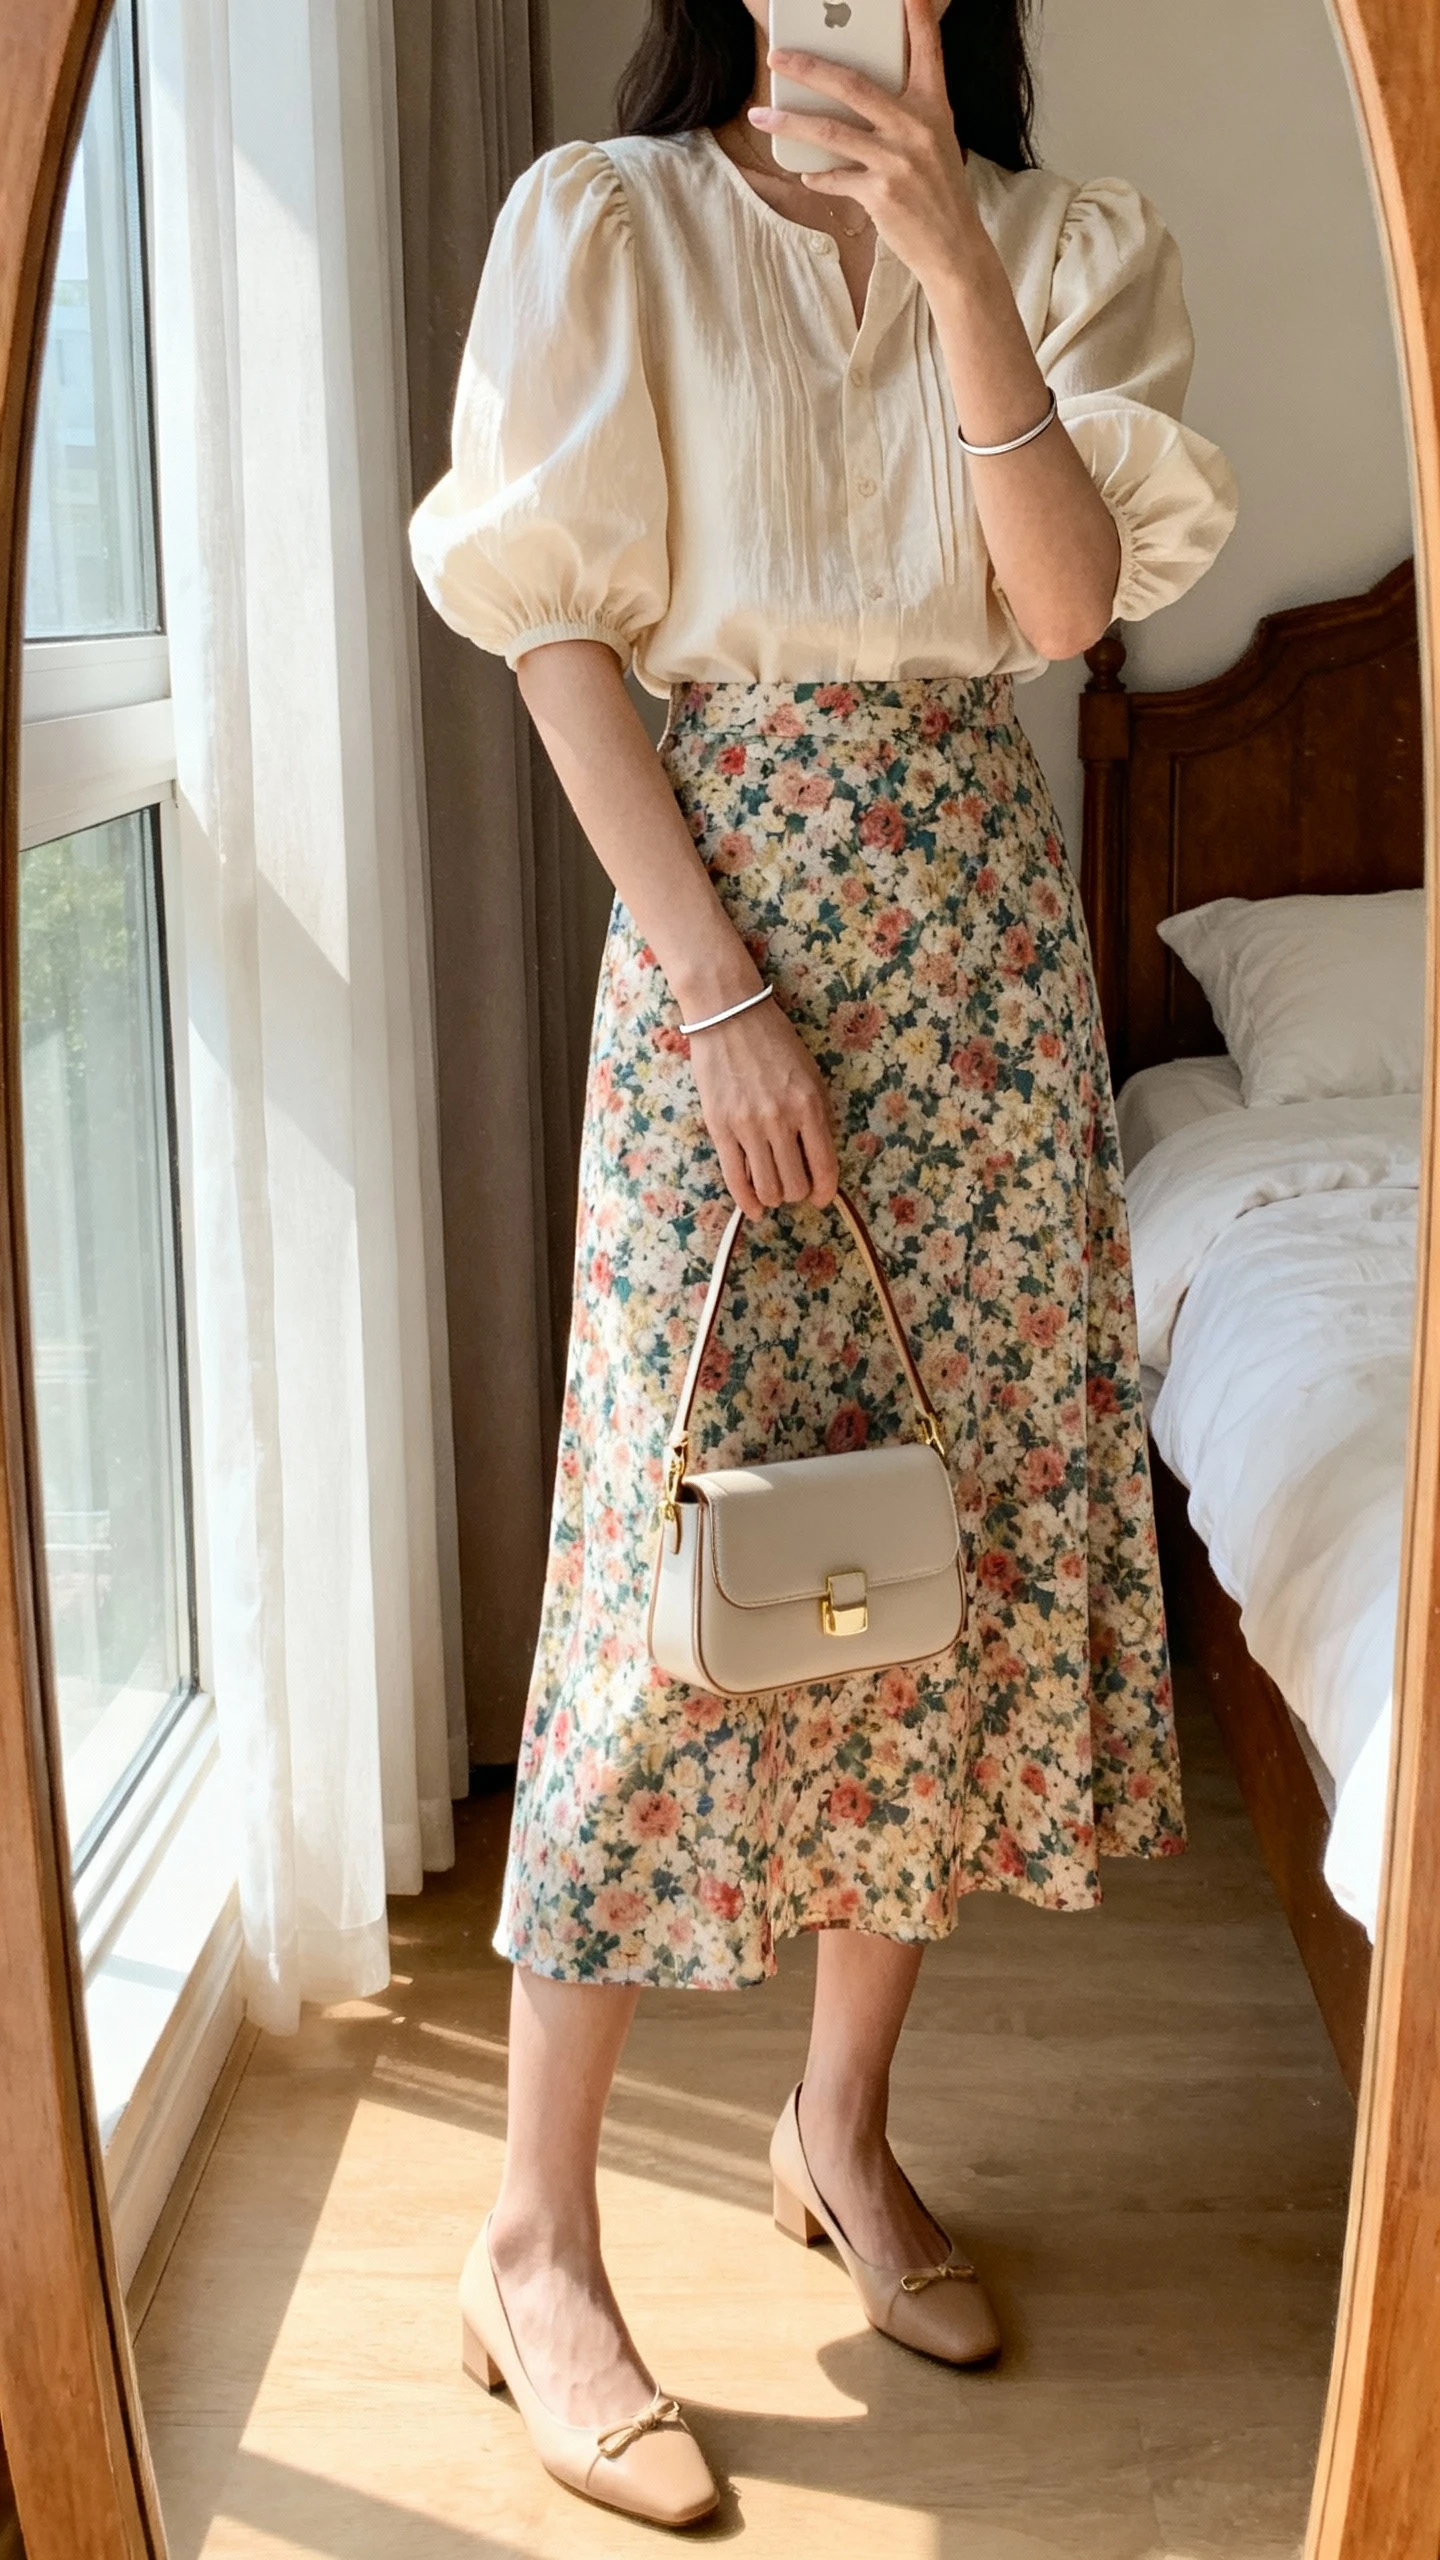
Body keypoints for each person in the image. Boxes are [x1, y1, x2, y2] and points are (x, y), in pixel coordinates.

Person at [410, 0, 1237, 2527]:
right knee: (653, 1587)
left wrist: (959, 266)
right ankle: (534, 2236)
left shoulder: (1075, 247)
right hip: (718, 943)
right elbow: (557, 629)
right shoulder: (603, 219)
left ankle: (839, 2135)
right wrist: (718, 990)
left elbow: (1068, 607)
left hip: (977, 953)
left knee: (930, 1570)